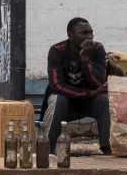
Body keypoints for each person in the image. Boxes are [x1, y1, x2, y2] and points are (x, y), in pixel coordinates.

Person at [45, 16, 112, 154]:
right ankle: (49, 149)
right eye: (84, 33)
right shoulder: (57, 50)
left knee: (104, 100)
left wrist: (85, 60)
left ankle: (107, 148)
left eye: (91, 32)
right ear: (70, 35)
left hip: (90, 102)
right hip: (66, 100)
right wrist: (88, 93)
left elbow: (99, 82)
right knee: (58, 99)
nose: (89, 37)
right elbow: (56, 85)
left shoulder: (98, 48)